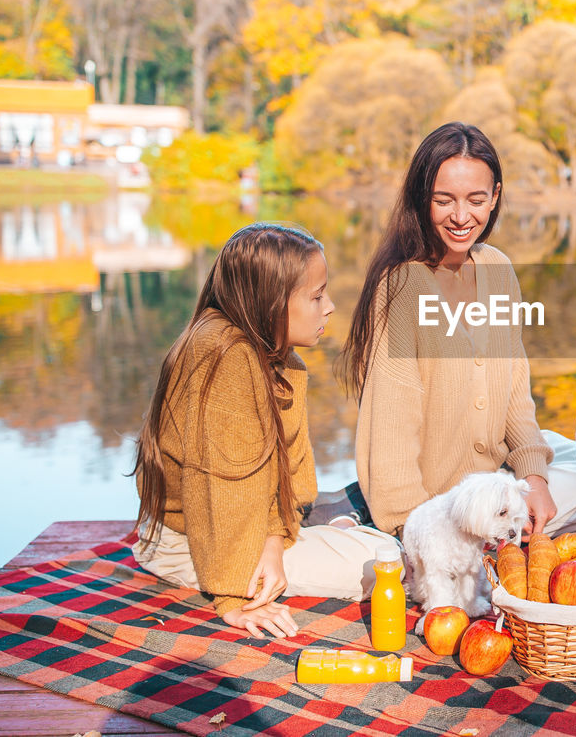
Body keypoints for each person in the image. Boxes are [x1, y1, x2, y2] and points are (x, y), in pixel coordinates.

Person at [338, 121, 576, 539]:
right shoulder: (402, 287)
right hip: (436, 506)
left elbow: (516, 399)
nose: (462, 217)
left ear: (495, 197)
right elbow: (391, 430)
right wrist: (413, 530)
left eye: (476, 199)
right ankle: (355, 518)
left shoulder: (498, 269)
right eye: (443, 200)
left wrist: (534, 480)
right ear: (422, 198)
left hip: (497, 484)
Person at [132, 223, 398, 639]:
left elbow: (292, 472)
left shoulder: (277, 356)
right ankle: (342, 529)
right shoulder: (224, 358)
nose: (329, 306)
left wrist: (276, 537)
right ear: (272, 303)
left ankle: (337, 525)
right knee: (388, 561)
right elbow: (215, 488)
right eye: (316, 296)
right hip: (203, 546)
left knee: (366, 510)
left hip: (246, 528)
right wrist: (235, 598)